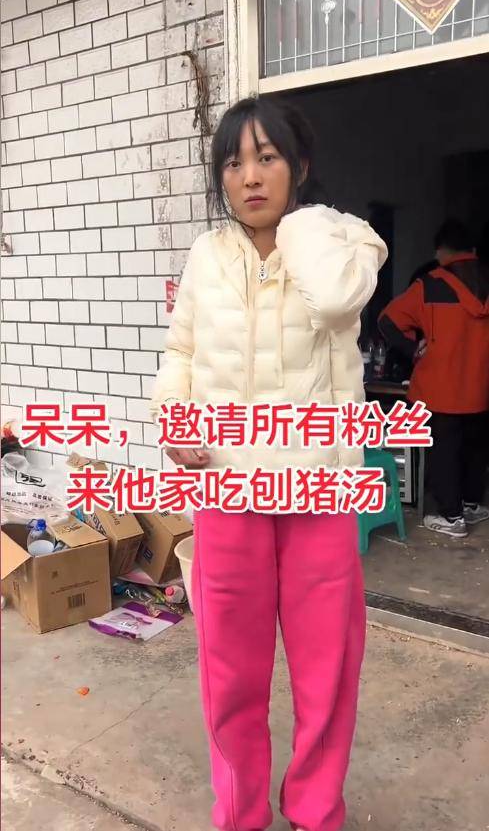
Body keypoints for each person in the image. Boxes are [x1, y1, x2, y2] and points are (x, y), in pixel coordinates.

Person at [150, 97, 387, 831]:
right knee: (230, 676)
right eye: (233, 162)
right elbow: (181, 351)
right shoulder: (207, 255)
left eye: (267, 157)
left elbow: (339, 300)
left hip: (318, 489)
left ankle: (315, 810)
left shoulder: (343, 242)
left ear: (300, 166)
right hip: (227, 489)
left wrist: (301, 223)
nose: (249, 177)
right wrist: (175, 416)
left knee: (326, 673)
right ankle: (240, 812)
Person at [379, 219, 489, 538]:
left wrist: (412, 348)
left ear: (440, 251)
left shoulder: (430, 285)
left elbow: (387, 320)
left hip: (441, 388)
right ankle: (471, 504)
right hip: (481, 386)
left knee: (444, 452)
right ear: (472, 250)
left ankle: (452, 518)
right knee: (475, 449)